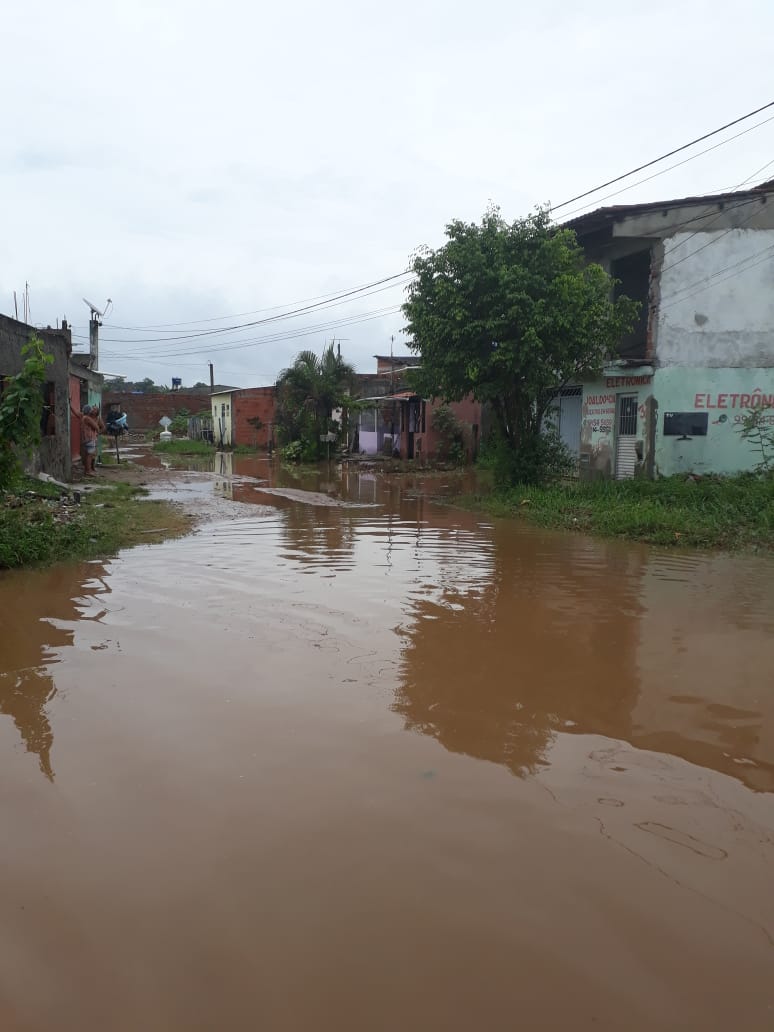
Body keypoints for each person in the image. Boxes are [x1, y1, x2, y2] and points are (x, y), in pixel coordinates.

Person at [80, 404, 100, 478]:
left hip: (85, 438)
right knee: (90, 455)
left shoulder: (83, 417)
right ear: (89, 411)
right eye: (91, 409)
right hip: (90, 438)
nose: (92, 410)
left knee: (87, 455)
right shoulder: (87, 418)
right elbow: (96, 427)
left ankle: (87, 470)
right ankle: (88, 471)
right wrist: (97, 430)